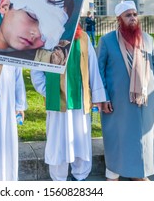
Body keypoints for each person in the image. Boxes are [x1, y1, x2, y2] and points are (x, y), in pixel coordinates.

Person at [96, 0, 154, 181]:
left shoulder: (148, 40)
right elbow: (98, 72)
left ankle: (138, 173)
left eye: (135, 14)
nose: (133, 18)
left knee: (143, 136)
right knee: (117, 136)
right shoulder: (107, 41)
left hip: (145, 99)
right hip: (117, 100)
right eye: (128, 15)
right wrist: (103, 97)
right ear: (119, 19)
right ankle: (113, 173)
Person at [30, 24, 106, 181]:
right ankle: (59, 179)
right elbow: (36, 69)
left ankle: (80, 176)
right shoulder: (45, 39)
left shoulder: (83, 38)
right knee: (58, 140)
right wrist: (48, 91)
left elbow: (93, 68)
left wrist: (98, 97)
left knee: (81, 138)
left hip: (80, 99)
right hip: (57, 102)